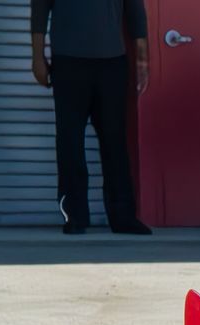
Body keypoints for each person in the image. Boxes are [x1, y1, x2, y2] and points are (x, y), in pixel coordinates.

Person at [29, 0, 152, 234]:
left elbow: (135, 11)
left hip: (112, 63)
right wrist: (37, 57)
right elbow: (40, 9)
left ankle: (123, 216)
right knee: (70, 140)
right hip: (68, 61)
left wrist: (142, 58)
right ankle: (75, 215)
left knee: (115, 141)